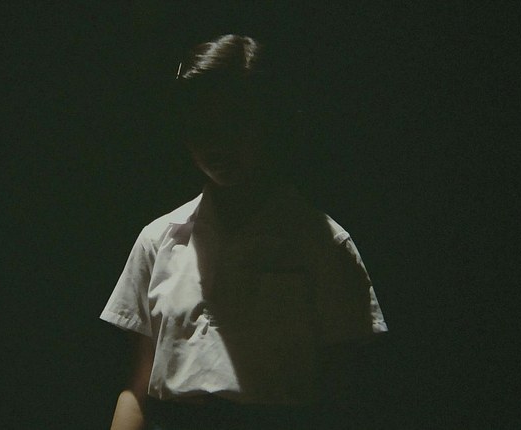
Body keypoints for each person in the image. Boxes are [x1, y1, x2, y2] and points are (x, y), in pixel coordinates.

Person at [100, 34, 387, 430]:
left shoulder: (323, 246)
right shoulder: (158, 240)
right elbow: (135, 390)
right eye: (202, 125)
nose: (217, 142)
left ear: (268, 120)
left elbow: (348, 393)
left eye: (234, 121)